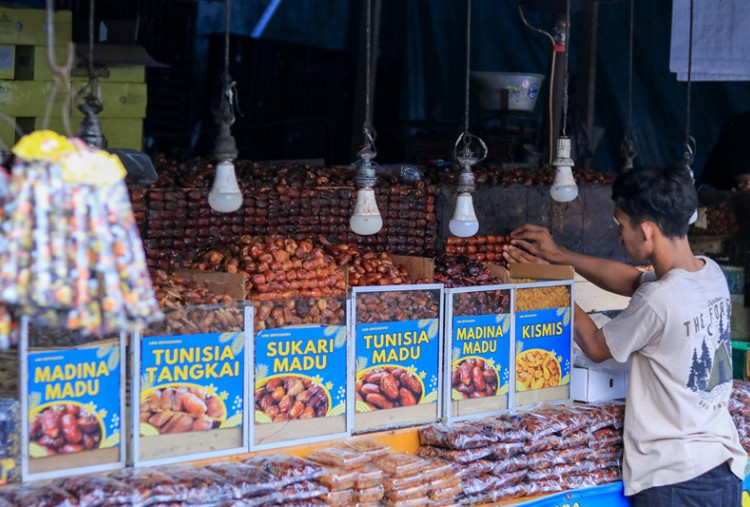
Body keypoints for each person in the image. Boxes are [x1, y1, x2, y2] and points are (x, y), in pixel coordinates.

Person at [502, 163, 746, 506]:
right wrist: (558, 257)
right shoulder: (709, 273)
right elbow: (633, 280)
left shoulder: (659, 299)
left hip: (675, 479)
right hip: (720, 467)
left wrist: (549, 284)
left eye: (621, 225)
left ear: (646, 230)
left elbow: (596, 347)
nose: (619, 234)